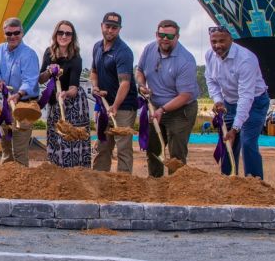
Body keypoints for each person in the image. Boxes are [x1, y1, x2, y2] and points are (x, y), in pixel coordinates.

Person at [135, 19, 199, 177]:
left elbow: (185, 95)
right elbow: (140, 70)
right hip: (155, 106)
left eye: (170, 36)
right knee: (153, 149)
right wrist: (142, 85)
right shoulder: (149, 49)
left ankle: (176, 190)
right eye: (161, 35)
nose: (165, 39)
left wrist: (163, 109)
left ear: (177, 37)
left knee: (176, 154)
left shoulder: (186, 60)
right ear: (156, 35)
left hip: (180, 110)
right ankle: (155, 184)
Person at [205, 25, 270, 179]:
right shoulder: (210, 56)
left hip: (254, 102)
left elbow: (246, 96)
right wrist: (218, 100)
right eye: (214, 41)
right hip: (229, 103)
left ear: (231, 39)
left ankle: (254, 183)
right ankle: (228, 180)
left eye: (222, 41)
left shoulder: (246, 59)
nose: (217, 45)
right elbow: (210, 80)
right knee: (227, 142)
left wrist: (235, 128)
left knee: (247, 142)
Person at [38, 20, 91, 168]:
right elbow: (40, 79)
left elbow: (74, 88)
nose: (64, 36)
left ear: (72, 37)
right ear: (56, 34)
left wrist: (65, 94)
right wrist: (49, 71)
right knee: (56, 137)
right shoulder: (49, 53)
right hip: (54, 100)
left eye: (68, 33)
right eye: (61, 32)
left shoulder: (76, 57)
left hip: (74, 103)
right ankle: (57, 172)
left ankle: (78, 172)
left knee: (72, 139)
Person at [90, 12, 138, 174]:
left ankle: (123, 183)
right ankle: (98, 178)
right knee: (102, 144)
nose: (110, 30)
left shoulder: (123, 52)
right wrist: (95, 86)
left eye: (114, 28)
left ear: (119, 29)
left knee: (123, 146)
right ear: (101, 26)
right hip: (104, 104)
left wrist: (115, 106)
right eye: (107, 26)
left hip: (123, 106)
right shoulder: (97, 47)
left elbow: (125, 83)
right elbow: (94, 71)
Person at [0, 17, 40, 167]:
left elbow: (30, 81)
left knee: (19, 152)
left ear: (22, 32)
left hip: (23, 106)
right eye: (8, 33)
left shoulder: (29, 54)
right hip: (4, 106)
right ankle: (7, 187)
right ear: (4, 33)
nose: (12, 36)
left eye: (16, 33)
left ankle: (23, 188)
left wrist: (18, 94)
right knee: (6, 150)